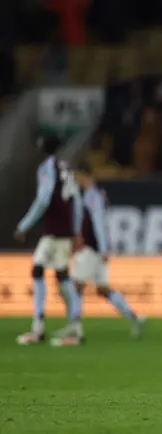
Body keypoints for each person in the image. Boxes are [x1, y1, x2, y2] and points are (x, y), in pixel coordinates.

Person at [51, 163, 145, 346]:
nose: (75, 181)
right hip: (97, 248)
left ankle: (75, 331)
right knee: (103, 289)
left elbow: (99, 221)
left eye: (77, 177)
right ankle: (134, 318)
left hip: (93, 249)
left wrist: (102, 248)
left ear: (84, 175)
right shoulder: (96, 194)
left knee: (75, 287)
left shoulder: (92, 195)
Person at [14, 135, 84, 345]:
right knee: (49, 273)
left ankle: (69, 329)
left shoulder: (46, 168)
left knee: (54, 275)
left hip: (54, 231)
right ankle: (45, 327)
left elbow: (44, 199)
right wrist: (77, 231)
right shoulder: (66, 168)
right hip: (62, 231)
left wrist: (24, 225)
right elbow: (77, 200)